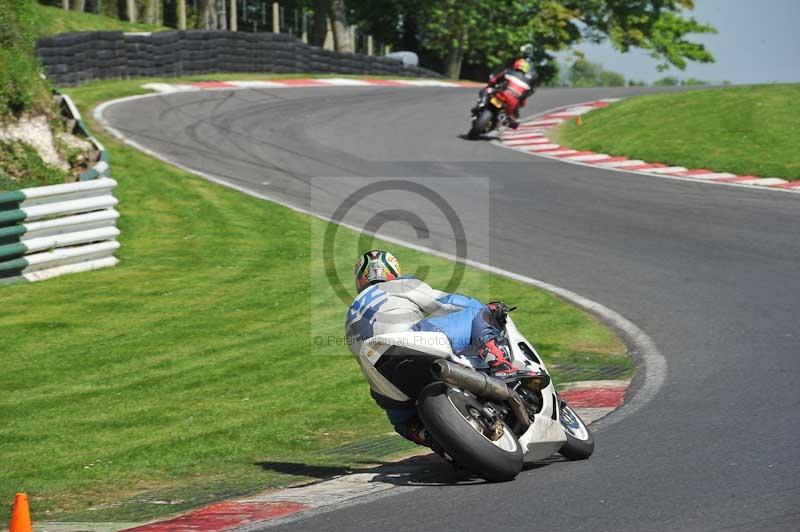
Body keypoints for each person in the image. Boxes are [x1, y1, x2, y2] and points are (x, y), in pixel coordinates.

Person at [344, 249, 536, 446]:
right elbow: (446, 303)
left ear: (360, 279)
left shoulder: (349, 315)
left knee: (402, 421)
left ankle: (432, 439)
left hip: (383, 376)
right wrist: (488, 309)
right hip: (409, 344)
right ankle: (501, 367)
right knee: (476, 315)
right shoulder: (399, 285)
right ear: (393, 271)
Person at [482, 57, 538, 129]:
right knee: (514, 120)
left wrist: (490, 85)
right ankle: (504, 119)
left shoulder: (508, 71)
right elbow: (526, 97)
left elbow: (494, 80)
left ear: (515, 65)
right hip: (512, 101)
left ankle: (482, 104)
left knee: (485, 91)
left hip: (501, 94)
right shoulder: (527, 80)